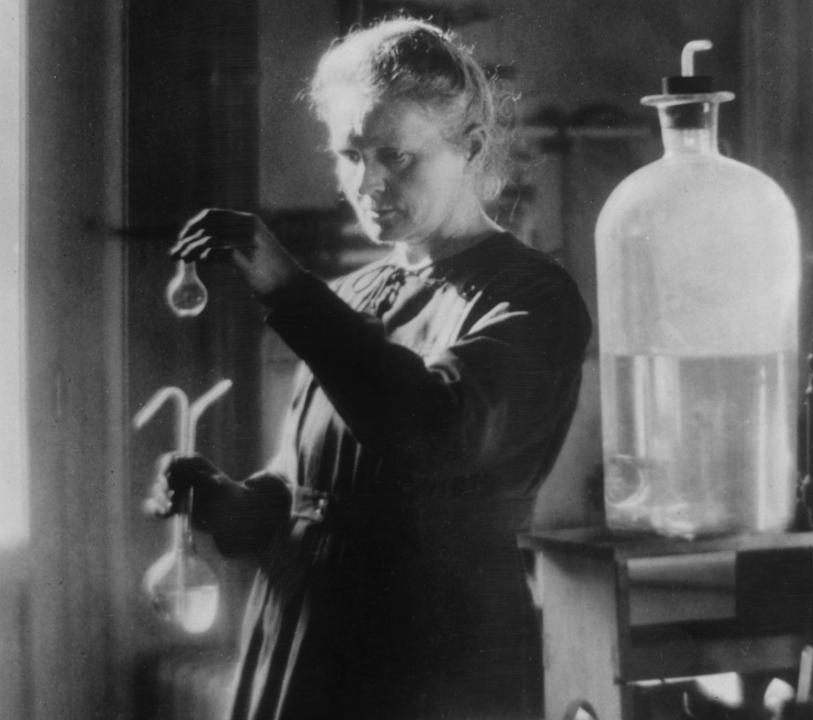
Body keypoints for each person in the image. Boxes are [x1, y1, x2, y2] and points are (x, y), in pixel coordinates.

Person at [148, 16, 591, 720]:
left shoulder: (532, 296)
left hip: (430, 653)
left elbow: (432, 434)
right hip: (304, 637)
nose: (369, 183)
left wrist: (289, 291)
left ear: (469, 148)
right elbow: (309, 484)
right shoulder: (353, 296)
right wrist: (233, 503)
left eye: (398, 156)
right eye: (351, 155)